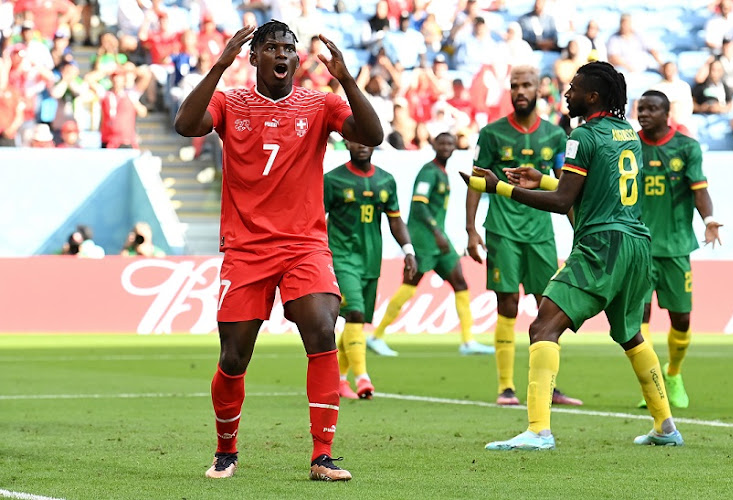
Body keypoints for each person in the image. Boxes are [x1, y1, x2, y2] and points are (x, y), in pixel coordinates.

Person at [173, 20, 383, 481]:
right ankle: (226, 449)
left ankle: (322, 456)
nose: (282, 53)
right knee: (234, 357)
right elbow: (186, 124)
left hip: (304, 244)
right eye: (271, 47)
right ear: (254, 57)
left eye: (288, 47)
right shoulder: (230, 102)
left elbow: (373, 134)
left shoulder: (320, 103)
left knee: (322, 329)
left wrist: (347, 80)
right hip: (246, 248)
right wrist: (218, 66)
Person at [463, 61, 683, 450]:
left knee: (542, 327)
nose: (566, 94)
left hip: (601, 245)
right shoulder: (627, 133)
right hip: (636, 244)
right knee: (631, 334)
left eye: (574, 88)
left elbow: (565, 200)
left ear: (593, 96)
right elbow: (592, 191)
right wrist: (542, 179)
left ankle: (538, 430)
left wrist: (499, 188)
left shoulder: (582, 134)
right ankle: (665, 426)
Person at [466, 65, 583, 407]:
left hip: (541, 233)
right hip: (502, 231)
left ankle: (550, 385)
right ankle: (506, 387)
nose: (520, 91)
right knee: (508, 305)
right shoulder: (491, 133)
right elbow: (476, 182)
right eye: (514, 85)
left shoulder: (555, 136)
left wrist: (581, 231)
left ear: (538, 89)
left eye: (526, 85)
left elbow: (567, 186)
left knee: (549, 306)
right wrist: (471, 228)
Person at [368, 132, 494, 357]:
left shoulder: (442, 172)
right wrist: (437, 233)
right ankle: (376, 336)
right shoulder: (428, 171)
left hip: (439, 241)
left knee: (461, 283)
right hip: (425, 240)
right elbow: (419, 205)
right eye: (442, 142)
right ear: (434, 145)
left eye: (450, 143)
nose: (446, 147)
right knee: (409, 286)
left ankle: (468, 341)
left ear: (455, 148)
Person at [635, 90, 722, 409]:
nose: (643, 113)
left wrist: (709, 219)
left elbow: (700, 191)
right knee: (639, 317)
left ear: (666, 113)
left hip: (674, 248)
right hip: (638, 247)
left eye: (651, 108)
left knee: (681, 318)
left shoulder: (686, 147)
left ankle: (673, 374)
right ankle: (652, 381)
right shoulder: (630, 146)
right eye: (640, 108)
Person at [324, 140, 417, 400]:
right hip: (341, 257)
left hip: (371, 260)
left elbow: (395, 220)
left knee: (357, 319)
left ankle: (340, 381)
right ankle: (362, 377)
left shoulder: (386, 181)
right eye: (355, 139)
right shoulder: (332, 180)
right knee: (353, 313)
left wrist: (408, 250)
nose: (361, 145)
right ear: (346, 142)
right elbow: (316, 219)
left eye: (366, 139)